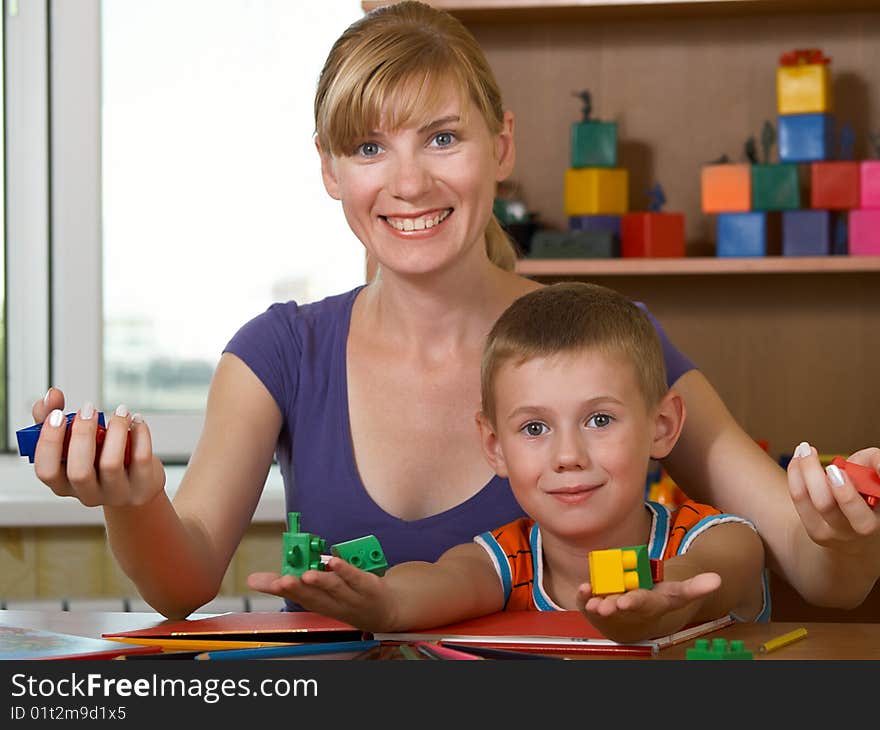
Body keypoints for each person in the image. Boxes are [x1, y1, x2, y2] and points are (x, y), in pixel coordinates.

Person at [29, 1, 879, 620]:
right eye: (369, 148)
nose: (408, 184)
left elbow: (818, 567)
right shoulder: (279, 352)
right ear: (330, 171)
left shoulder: (609, 336)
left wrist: (845, 531)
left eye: (442, 138)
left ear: (500, 145)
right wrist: (128, 498)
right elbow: (182, 589)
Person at [249, 283, 768, 643]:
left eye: (600, 420)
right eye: (535, 429)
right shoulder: (507, 560)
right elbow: (441, 580)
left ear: (662, 426)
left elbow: (706, 575)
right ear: (494, 446)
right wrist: (380, 604)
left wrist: (656, 599)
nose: (568, 457)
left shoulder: (715, 539)